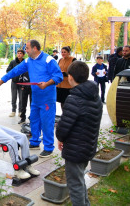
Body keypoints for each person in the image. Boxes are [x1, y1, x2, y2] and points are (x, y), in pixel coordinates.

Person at [0, 40, 63, 158]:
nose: (25, 50)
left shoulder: (48, 60)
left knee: (47, 123)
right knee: (34, 120)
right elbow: (14, 71)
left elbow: (58, 76)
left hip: (47, 99)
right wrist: (0, 82)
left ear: (35, 48)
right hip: (36, 98)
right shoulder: (28, 61)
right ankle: (35, 142)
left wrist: (46, 83)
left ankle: (49, 147)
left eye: (27, 48)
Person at [56, 61, 102, 206]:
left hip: (75, 150)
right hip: (88, 146)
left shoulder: (74, 99)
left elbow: (63, 128)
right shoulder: (95, 96)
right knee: (79, 180)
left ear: (70, 77)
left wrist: (60, 138)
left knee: (75, 185)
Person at [6, 49, 25, 117]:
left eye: (20, 53)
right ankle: (13, 111)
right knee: (14, 97)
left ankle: (20, 111)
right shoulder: (13, 62)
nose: (19, 54)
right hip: (14, 82)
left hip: (22, 83)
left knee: (21, 98)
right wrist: (13, 76)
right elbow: (8, 70)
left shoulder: (25, 62)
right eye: (18, 53)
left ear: (23, 55)